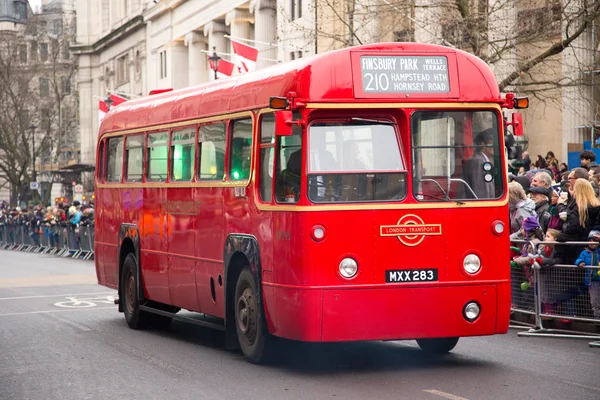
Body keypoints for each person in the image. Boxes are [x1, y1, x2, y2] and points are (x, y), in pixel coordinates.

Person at [462, 128, 495, 199]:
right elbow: (481, 193)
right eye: (492, 144)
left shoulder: (479, 160)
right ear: (483, 144)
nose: (495, 146)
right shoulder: (479, 162)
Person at [577, 231, 600, 318]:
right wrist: (580, 262)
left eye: (594, 241)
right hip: (592, 280)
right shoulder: (584, 252)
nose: (591, 243)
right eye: (589, 241)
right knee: (595, 301)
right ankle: (597, 318)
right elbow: (578, 259)